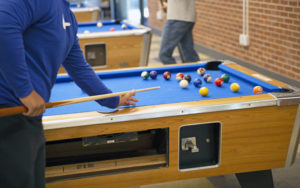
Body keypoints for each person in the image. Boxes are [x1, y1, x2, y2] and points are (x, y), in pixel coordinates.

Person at [0, 0, 138, 187]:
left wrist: (112, 100)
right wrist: (25, 91)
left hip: (28, 118)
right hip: (8, 112)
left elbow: (79, 68)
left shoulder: (68, 17)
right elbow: (3, 25)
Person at [159, 0, 200, 64]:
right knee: (189, 55)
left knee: (164, 55)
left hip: (177, 18)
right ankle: (198, 71)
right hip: (185, 17)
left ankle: (174, 73)